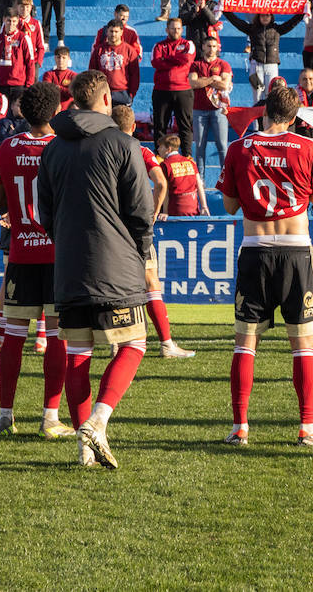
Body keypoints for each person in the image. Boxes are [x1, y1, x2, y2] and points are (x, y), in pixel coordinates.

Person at [38, 71, 155, 467]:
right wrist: (141, 252)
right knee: (134, 344)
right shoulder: (123, 144)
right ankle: (98, 421)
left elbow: (45, 214)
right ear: (107, 100)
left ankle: (85, 450)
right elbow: (141, 211)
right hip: (115, 266)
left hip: (68, 267)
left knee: (77, 354)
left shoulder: (52, 150)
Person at [216, 85, 313, 447]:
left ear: (264, 111)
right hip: (295, 250)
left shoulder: (239, 148)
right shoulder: (308, 147)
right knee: (302, 344)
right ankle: (306, 427)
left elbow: (229, 207)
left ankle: (240, 427)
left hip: (254, 249)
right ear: (297, 116)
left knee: (245, 343)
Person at [0, 82, 73, 439]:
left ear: (22, 111)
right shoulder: (63, 148)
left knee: (13, 337)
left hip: (21, 254)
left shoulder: (6, 148)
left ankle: (5, 415)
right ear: (55, 112)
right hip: (57, 255)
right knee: (56, 338)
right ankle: (50, 418)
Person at [111, 104, 194, 360]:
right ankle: (166, 344)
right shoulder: (141, 150)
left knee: (113, 285)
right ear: (134, 127)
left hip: (110, 227)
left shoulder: (99, 149)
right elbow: (160, 182)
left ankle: (115, 343)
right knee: (150, 283)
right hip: (136, 227)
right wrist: (152, 214)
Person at [151, 16, 197, 158]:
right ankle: (159, 154)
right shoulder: (158, 46)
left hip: (183, 90)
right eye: (173, 28)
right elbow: (156, 62)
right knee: (160, 125)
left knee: (185, 125)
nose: (176, 31)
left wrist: (167, 59)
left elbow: (187, 59)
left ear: (181, 29)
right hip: (162, 90)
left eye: (178, 28)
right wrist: (177, 58)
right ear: (167, 29)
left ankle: (187, 154)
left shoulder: (188, 44)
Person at [88, 20, 142, 107]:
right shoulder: (99, 50)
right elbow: (92, 72)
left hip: (123, 93)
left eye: (116, 32)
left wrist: (131, 94)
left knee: (121, 120)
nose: (113, 34)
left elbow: (135, 75)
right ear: (107, 32)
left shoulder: (129, 50)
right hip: (103, 91)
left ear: (121, 32)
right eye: (111, 31)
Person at [0, 13, 39, 106]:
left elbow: (30, 63)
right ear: (4, 20)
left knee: (18, 116)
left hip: (19, 85)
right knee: (1, 117)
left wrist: (28, 85)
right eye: (8, 21)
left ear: (18, 21)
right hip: (0, 85)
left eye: (14, 21)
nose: (11, 24)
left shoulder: (24, 38)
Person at [156, 135, 208, 217]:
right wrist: (204, 207)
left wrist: (165, 212)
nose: (158, 150)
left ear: (168, 149)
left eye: (160, 147)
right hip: (193, 210)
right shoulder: (191, 162)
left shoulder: (164, 165)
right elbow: (199, 185)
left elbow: (165, 191)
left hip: (175, 210)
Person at [42, 47, 77, 111]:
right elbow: (48, 92)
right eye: (58, 57)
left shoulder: (73, 76)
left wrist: (58, 88)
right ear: (55, 58)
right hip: (52, 111)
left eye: (64, 57)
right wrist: (64, 90)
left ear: (68, 59)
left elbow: (73, 93)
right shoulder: (48, 74)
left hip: (69, 111)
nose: (61, 60)